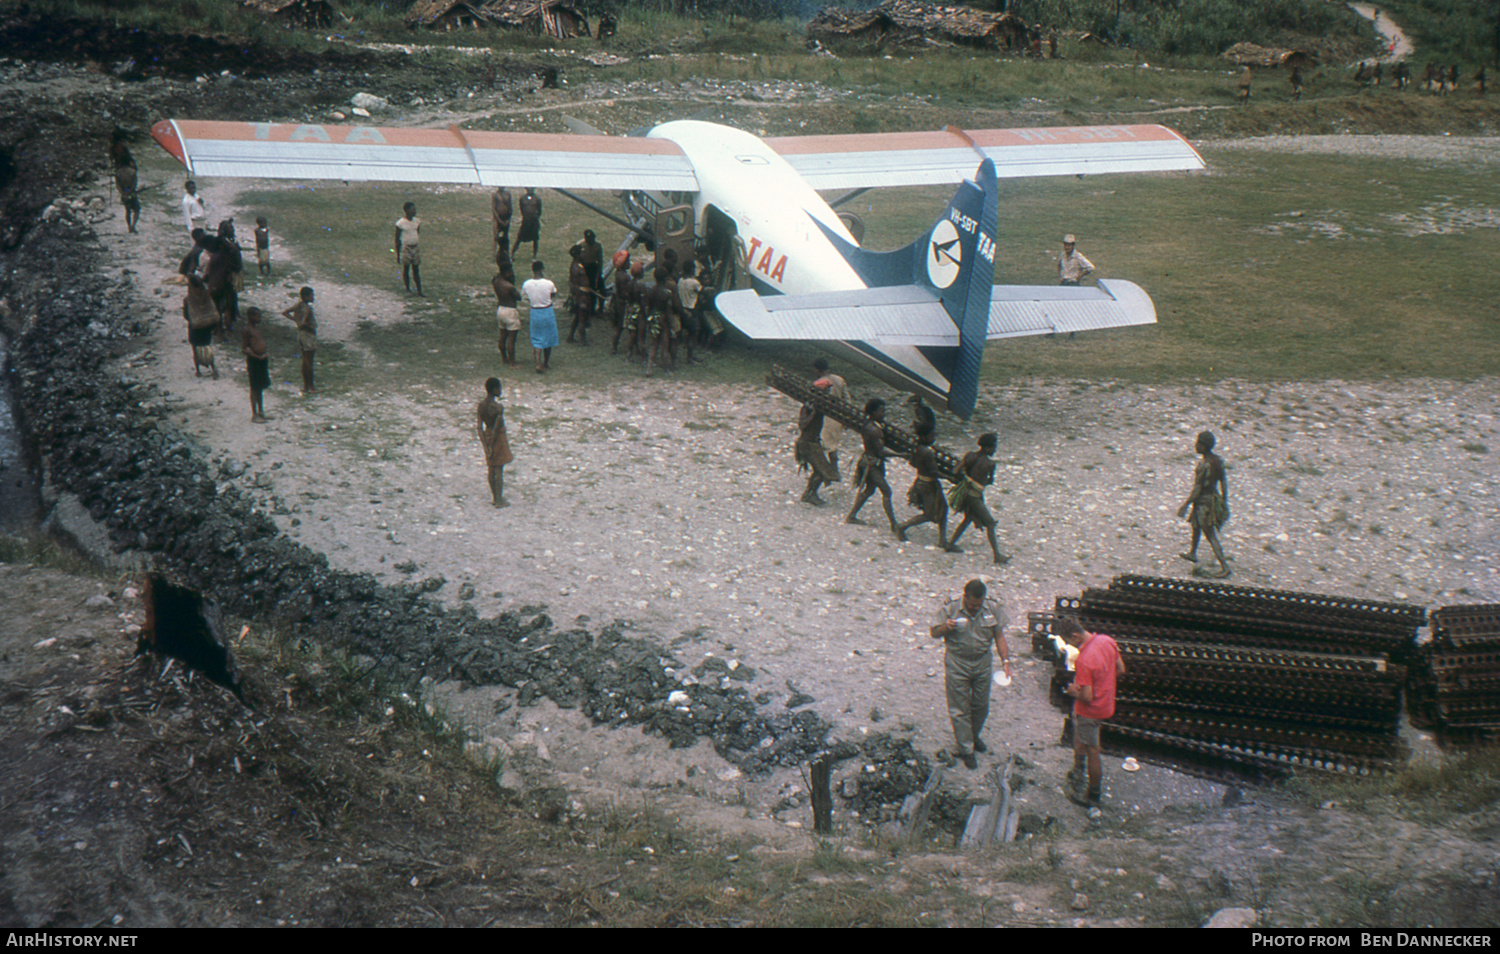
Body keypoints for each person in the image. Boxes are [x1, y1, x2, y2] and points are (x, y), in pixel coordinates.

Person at [930, 579, 1012, 770]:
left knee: (981, 705)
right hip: (957, 662)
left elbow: (999, 636)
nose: (976, 608)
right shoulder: (950, 609)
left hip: (982, 662)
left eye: (979, 604)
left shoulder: (991, 608)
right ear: (964, 596)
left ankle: (973, 736)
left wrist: (1006, 662)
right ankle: (966, 750)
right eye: (972, 604)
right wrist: (946, 628)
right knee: (959, 708)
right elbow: (934, 632)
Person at [1059, 615, 1124, 809]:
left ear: (1074, 636)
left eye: (1069, 641)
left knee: (1092, 749)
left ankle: (1094, 794)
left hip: (1091, 710)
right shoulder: (1107, 640)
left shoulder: (1084, 661)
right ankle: (1078, 768)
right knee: (1081, 737)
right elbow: (1120, 668)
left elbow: (1086, 697)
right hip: (1106, 703)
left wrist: (1073, 690)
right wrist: (1103, 683)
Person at [1177, 429, 1231, 578]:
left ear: (1203, 446)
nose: (1195, 445)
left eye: (1198, 443)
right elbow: (1223, 482)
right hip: (1213, 499)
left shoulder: (1203, 465)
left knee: (1209, 534)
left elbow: (1197, 489)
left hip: (1203, 502)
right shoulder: (1218, 461)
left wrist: (1185, 504)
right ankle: (1193, 553)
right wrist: (1224, 501)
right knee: (1196, 526)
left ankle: (1225, 567)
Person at [948, 433, 1009, 565]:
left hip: (965, 494)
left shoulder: (969, 455)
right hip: (975, 497)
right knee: (990, 524)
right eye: (994, 447)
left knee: (967, 519)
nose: (995, 450)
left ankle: (950, 544)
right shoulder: (990, 464)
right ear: (987, 448)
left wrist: (967, 480)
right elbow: (989, 481)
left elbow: (956, 471)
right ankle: (997, 556)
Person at [845, 398, 902, 533]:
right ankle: (894, 524)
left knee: (869, 490)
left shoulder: (869, 425)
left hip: (869, 462)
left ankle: (851, 516)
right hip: (872, 465)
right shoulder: (874, 430)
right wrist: (901, 455)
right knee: (887, 491)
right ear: (874, 412)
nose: (883, 414)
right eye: (881, 411)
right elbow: (881, 451)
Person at [896, 423, 956, 550]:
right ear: (925, 436)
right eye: (931, 435)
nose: (933, 438)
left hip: (921, 482)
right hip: (928, 485)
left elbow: (912, 463)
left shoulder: (917, 448)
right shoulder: (927, 452)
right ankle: (902, 526)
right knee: (929, 515)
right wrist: (948, 477)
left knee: (943, 509)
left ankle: (942, 540)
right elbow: (934, 472)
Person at [476, 377, 514, 507]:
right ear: (495, 389)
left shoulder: (481, 406)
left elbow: (479, 427)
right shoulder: (498, 408)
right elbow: (497, 428)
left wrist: (485, 445)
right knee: (499, 469)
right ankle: (499, 499)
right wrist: (492, 445)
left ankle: (494, 498)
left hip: (487, 435)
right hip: (498, 438)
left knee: (491, 467)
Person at [795, 398, 840, 506]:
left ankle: (808, 494)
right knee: (821, 470)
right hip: (807, 444)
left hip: (814, 444)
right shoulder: (808, 408)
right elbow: (802, 425)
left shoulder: (820, 408)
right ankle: (810, 494)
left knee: (819, 470)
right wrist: (813, 413)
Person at [811, 357, 849, 471]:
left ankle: (825, 471)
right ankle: (834, 468)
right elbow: (847, 400)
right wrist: (846, 417)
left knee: (824, 444)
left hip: (826, 418)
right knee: (833, 445)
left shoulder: (818, 383)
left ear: (817, 370)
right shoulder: (839, 379)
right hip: (838, 417)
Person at [522, 260, 558, 373]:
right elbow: (553, 294)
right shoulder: (549, 283)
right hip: (547, 311)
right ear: (542, 269)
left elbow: (524, 297)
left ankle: (538, 363)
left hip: (535, 311)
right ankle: (546, 362)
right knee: (549, 338)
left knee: (537, 338)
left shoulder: (527, 284)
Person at [283, 286, 318, 393]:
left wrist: (295, 320)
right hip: (308, 335)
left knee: (304, 361)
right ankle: (311, 387)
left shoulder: (298, 305)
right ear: (306, 297)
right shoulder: (307, 308)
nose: (313, 297)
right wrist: (307, 325)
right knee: (309, 361)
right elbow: (304, 322)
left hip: (301, 335)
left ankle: (305, 386)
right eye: (312, 295)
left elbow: (285, 312)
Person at [184, 274, 219, 379]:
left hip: (195, 328)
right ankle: (213, 369)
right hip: (207, 327)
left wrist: (194, 320)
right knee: (207, 348)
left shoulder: (188, 300)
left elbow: (186, 315)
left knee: (195, 349)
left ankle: (198, 371)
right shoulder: (206, 295)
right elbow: (212, 309)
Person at [242, 306, 270, 423]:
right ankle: (254, 414)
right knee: (254, 388)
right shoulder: (247, 330)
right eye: (257, 316)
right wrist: (257, 356)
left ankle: (261, 411)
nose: (260, 318)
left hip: (262, 360)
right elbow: (244, 348)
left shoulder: (257, 329)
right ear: (251, 317)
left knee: (260, 388)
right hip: (255, 361)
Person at [109, 128, 139, 234]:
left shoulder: (113, 147)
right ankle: (132, 226)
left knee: (127, 209)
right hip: (125, 171)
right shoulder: (120, 146)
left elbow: (112, 159)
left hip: (119, 170)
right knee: (136, 208)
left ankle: (129, 226)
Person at [492, 262, 521, 367]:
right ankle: (512, 362)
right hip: (510, 311)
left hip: (500, 309)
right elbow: (518, 297)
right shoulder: (509, 286)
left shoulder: (496, 281)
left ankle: (504, 359)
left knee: (502, 336)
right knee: (511, 339)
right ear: (506, 272)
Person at [394, 202, 423, 296]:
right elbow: (397, 239)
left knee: (416, 269)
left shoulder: (417, 221)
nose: (415, 211)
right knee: (406, 268)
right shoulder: (400, 223)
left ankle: (419, 290)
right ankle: (408, 289)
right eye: (413, 209)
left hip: (415, 247)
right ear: (407, 211)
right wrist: (398, 253)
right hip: (406, 247)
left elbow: (416, 232)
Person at [512, 186, 542, 262]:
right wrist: (526, 216)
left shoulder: (537, 199)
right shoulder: (522, 199)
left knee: (535, 239)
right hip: (526, 221)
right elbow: (521, 208)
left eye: (532, 188)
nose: (530, 189)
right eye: (529, 188)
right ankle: (512, 254)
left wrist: (535, 218)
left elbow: (539, 210)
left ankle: (534, 256)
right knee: (519, 238)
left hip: (534, 221)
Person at [491, 186, 512, 261]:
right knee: (496, 237)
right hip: (497, 219)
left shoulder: (508, 194)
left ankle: (506, 254)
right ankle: (494, 255)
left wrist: (508, 219)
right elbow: (493, 208)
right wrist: (499, 220)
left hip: (505, 218)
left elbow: (510, 207)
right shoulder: (495, 194)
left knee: (505, 237)